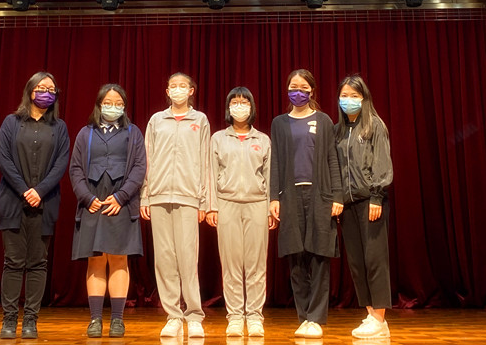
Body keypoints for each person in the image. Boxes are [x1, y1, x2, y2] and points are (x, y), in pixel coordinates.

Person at [0, 71, 70, 340]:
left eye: (51, 89)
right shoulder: (11, 122)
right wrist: (25, 190)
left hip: (45, 202)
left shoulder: (59, 127)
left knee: (38, 262)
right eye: (41, 88)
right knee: (13, 261)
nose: (46, 93)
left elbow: (61, 163)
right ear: (30, 91)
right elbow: (3, 158)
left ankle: (30, 321)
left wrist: (39, 191)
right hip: (12, 201)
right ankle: (9, 320)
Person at [269, 69, 343, 339]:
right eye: (293, 87)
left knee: (319, 257)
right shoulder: (279, 123)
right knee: (296, 258)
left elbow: (332, 159)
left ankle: (316, 318)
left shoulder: (323, 121)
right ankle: (304, 318)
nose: (297, 91)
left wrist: (337, 196)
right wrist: (274, 197)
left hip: (320, 196)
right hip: (290, 196)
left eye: (302, 87)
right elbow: (276, 162)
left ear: (312, 90)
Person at [68, 83, 146, 338]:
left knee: (119, 259)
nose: (113, 107)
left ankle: (117, 320)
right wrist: (86, 197)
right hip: (92, 202)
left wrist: (121, 197)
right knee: (96, 260)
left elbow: (139, 168)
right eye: (108, 103)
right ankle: (95, 319)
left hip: (121, 203)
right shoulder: (85, 134)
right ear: (99, 104)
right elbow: (75, 169)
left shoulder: (133, 133)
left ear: (124, 106)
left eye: (118, 104)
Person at [140, 72, 211, 339]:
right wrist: (145, 195)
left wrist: (204, 200)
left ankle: (194, 315)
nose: (178, 90)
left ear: (191, 91)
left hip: (188, 197)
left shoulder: (200, 120)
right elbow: (147, 158)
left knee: (187, 258)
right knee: (165, 259)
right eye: (173, 86)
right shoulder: (156, 120)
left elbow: (205, 160)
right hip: (158, 196)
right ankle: (173, 316)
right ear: (167, 91)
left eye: (183, 86)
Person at [206, 87, 274, 337]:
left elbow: (269, 175)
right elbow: (211, 173)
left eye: (244, 102)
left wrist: (270, 208)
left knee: (256, 264)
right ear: (228, 108)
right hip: (227, 204)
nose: (240, 106)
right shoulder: (218, 139)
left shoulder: (263, 140)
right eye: (235, 102)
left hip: (257, 204)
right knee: (231, 264)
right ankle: (235, 316)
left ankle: (254, 316)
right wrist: (212, 206)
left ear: (252, 107)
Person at [334, 75, 393, 340]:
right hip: (347, 205)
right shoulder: (338, 131)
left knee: (374, 260)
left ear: (364, 98)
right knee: (357, 263)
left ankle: (380, 318)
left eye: (354, 96)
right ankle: (370, 314)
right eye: (344, 96)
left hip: (370, 202)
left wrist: (376, 197)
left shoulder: (374, 126)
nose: (349, 100)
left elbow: (382, 163)